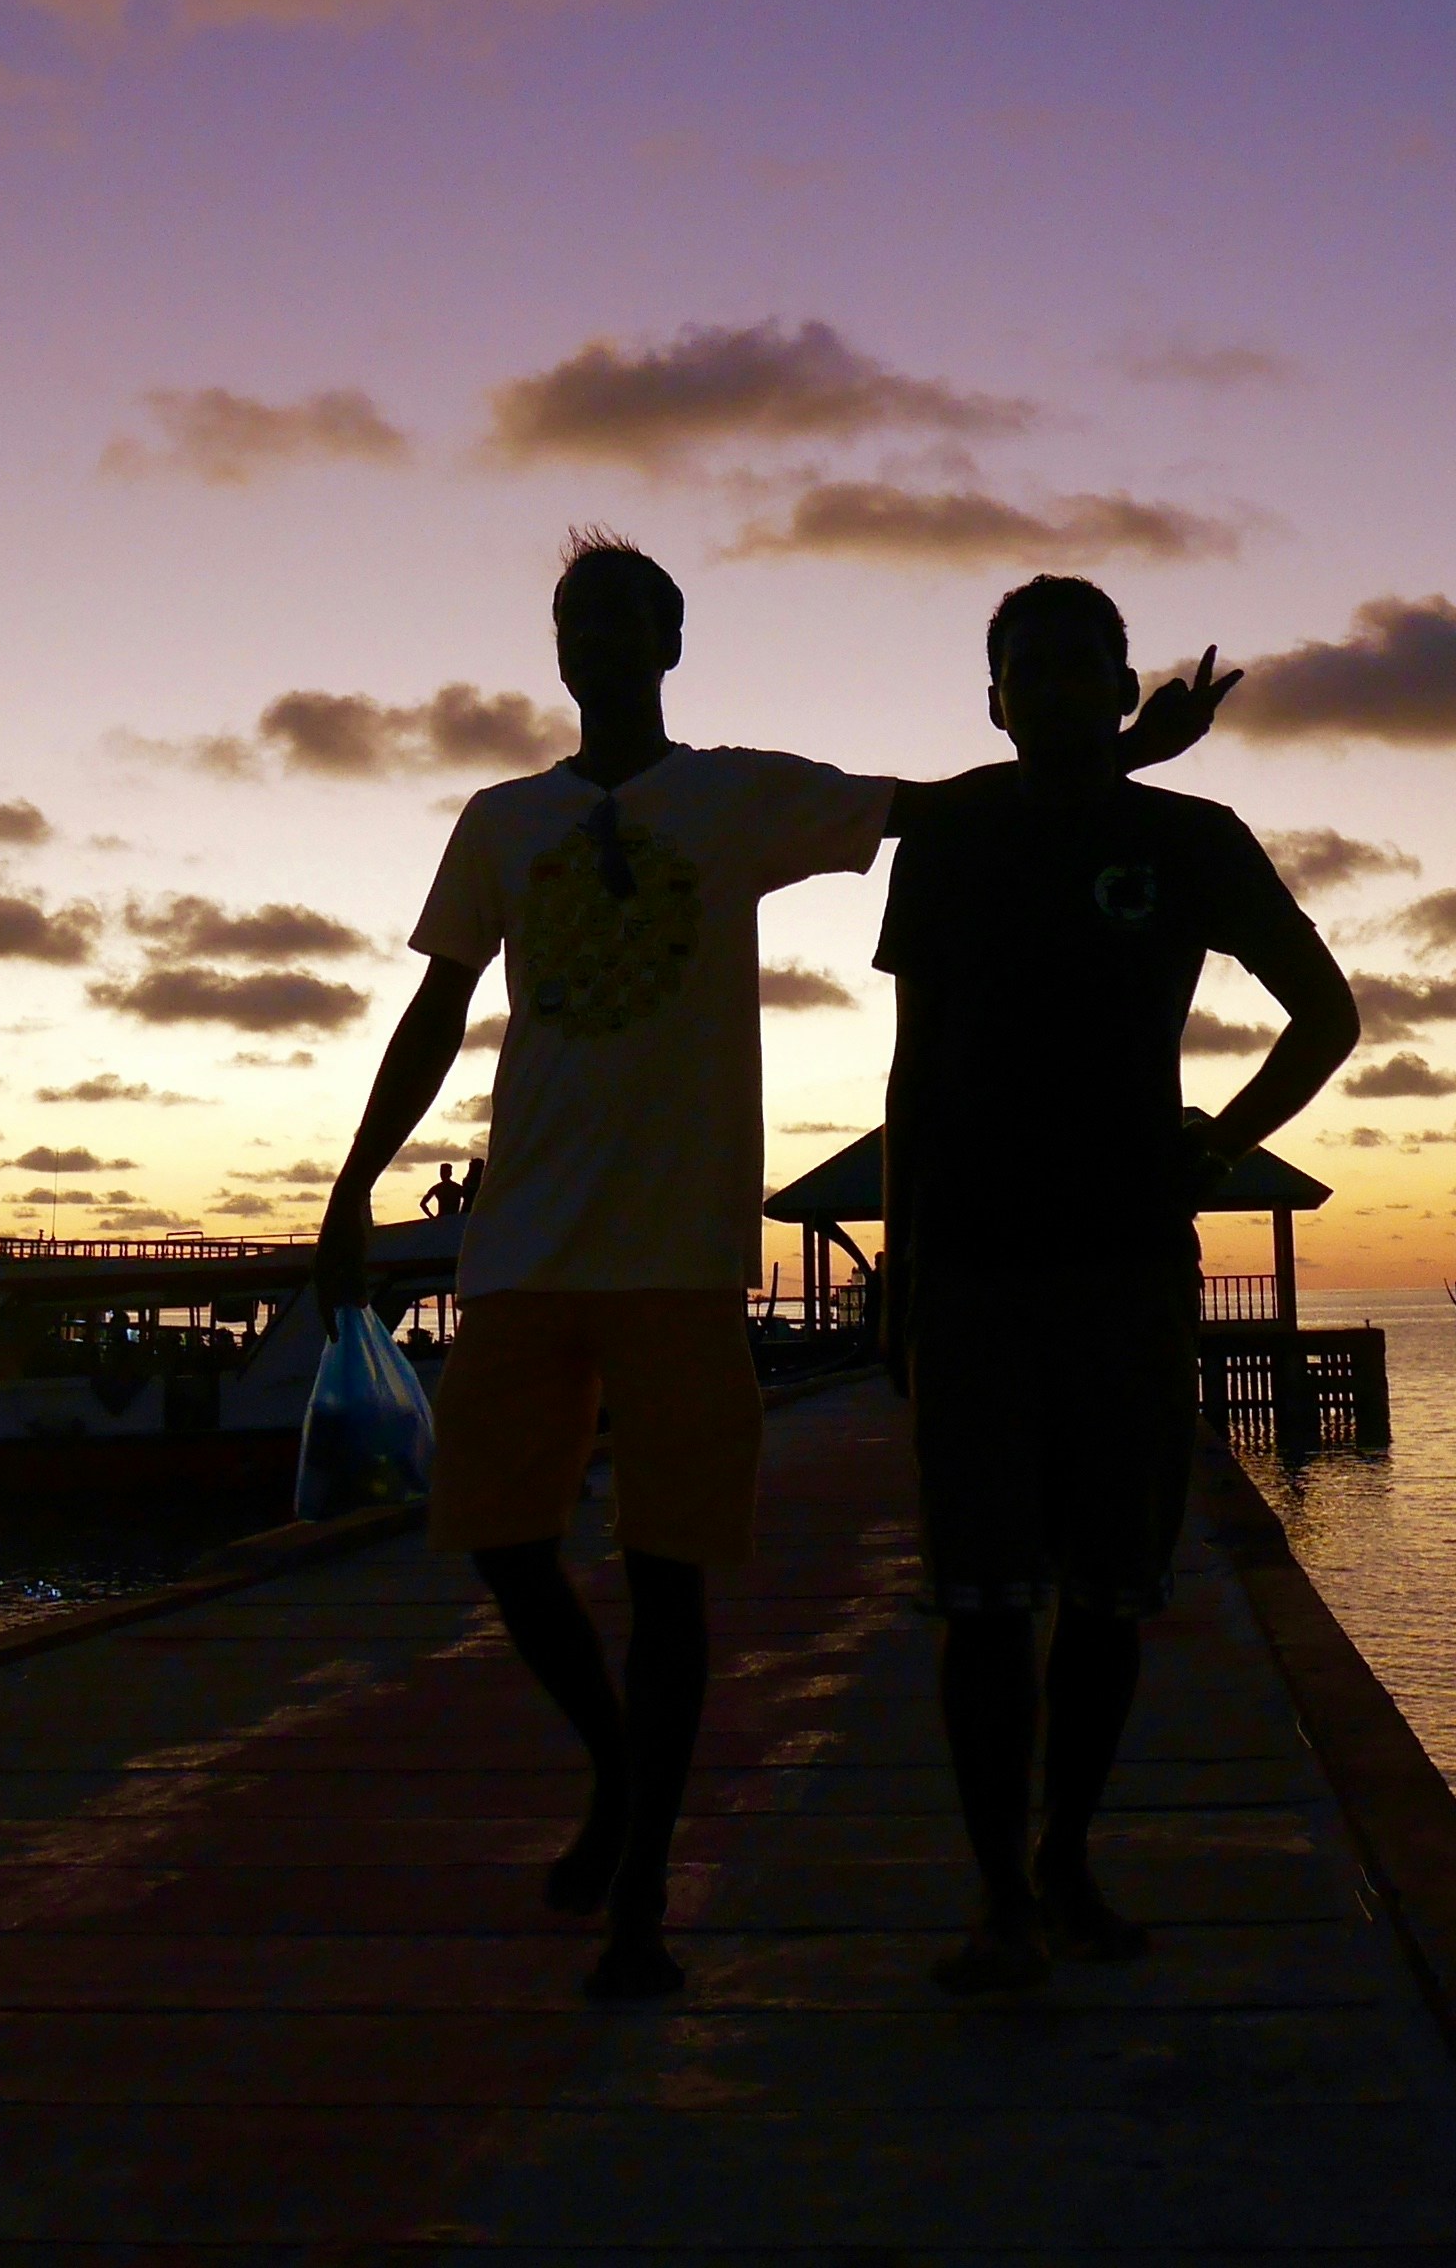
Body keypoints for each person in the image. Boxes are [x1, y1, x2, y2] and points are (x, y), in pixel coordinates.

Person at [317, 531, 1231, 2002]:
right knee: (500, 1541)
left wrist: (1119, 749)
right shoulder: (497, 819)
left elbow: (941, 814)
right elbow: (437, 1007)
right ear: (556, 651)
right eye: (576, 621)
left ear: (671, 645)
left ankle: (642, 1909)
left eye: (625, 620)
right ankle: (617, 1775)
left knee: (672, 1585)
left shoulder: (736, 794)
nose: (599, 643)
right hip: (523, 1249)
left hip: (679, 1257)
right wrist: (357, 1180)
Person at [877, 571, 1358, 1992]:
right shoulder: (952, 837)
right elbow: (911, 1069)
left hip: (1128, 1267)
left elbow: (1327, 1014)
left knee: (1105, 1596)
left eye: (1082, 664)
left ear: (1118, 680)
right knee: (978, 1603)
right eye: (1028, 668)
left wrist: (1224, 1140)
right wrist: (901, 1274)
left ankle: (1066, 1859)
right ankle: (996, 1900)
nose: (1055, 686)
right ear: (994, 698)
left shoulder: (1193, 841)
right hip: (969, 1268)